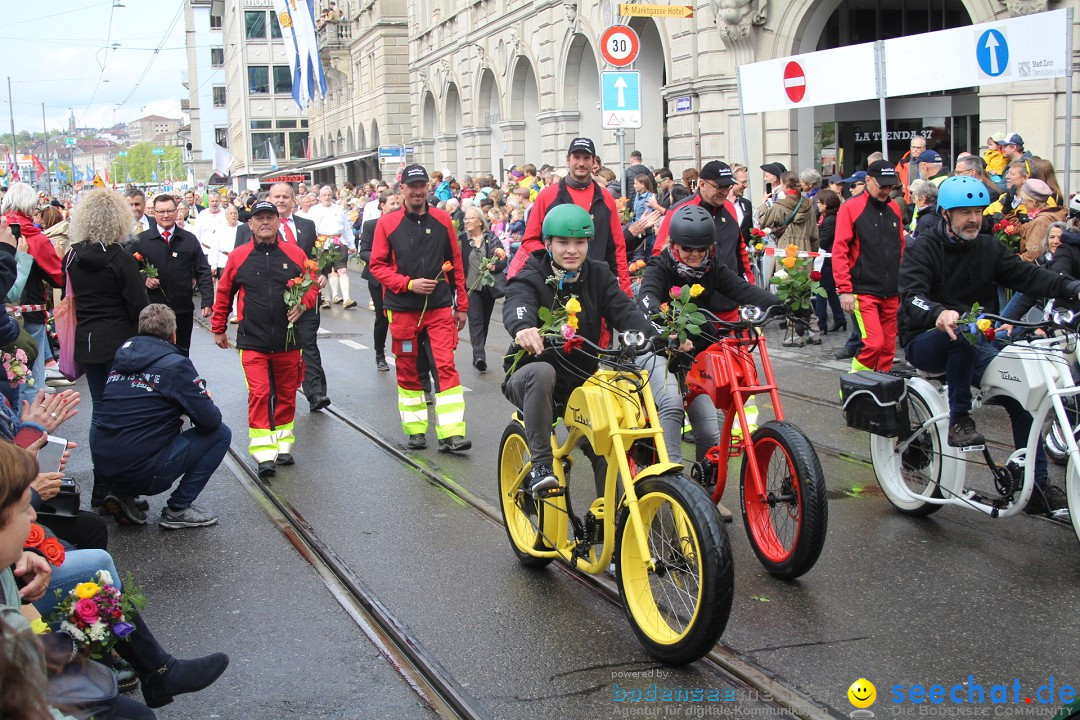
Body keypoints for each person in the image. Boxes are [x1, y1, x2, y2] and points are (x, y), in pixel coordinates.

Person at [899, 176, 1080, 515]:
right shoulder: (922, 247)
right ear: (944, 214)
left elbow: (1028, 277)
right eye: (964, 212)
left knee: (1023, 397)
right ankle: (959, 419)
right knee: (965, 331)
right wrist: (939, 313)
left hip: (974, 338)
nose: (973, 219)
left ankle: (1036, 486)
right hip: (925, 340)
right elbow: (911, 298)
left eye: (978, 211)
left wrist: (1071, 287)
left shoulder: (989, 247)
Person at [502, 204, 656, 495]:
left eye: (580, 242)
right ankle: (542, 467)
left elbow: (626, 313)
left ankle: (612, 517)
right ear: (548, 243)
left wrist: (658, 337)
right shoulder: (531, 274)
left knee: (608, 445)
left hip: (582, 379)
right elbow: (517, 302)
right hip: (532, 378)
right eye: (562, 242)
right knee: (542, 371)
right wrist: (523, 327)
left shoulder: (598, 274)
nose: (571, 250)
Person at [637, 204, 782, 467]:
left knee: (707, 427)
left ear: (709, 247)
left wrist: (780, 304)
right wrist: (667, 330)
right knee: (671, 405)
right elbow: (646, 298)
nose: (694, 254)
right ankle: (673, 486)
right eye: (687, 248)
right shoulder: (660, 266)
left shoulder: (711, 266)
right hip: (658, 348)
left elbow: (740, 289)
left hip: (694, 350)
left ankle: (704, 494)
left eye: (701, 249)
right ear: (675, 244)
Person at [93, 304, 231, 529]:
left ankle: (121, 493)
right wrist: (199, 399)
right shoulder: (176, 365)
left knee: (132, 431)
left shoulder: (119, 361)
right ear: (173, 334)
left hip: (104, 468)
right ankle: (178, 508)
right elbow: (210, 420)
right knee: (221, 434)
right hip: (144, 471)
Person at [212, 200, 319, 477]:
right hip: (252, 340)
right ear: (251, 224)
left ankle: (283, 446)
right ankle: (263, 453)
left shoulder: (295, 253)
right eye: (259, 218)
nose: (265, 223)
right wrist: (218, 326)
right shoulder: (238, 256)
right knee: (260, 393)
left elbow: (312, 285)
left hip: (287, 341)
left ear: (277, 221)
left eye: (270, 217)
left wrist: (303, 303)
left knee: (285, 394)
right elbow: (224, 292)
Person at [369, 164, 471, 453]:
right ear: (401, 189)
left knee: (446, 366)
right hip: (402, 309)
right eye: (411, 186)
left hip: (438, 308)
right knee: (407, 368)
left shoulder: (442, 220)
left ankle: (451, 433)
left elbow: (456, 263)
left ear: (428, 188)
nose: (417, 190)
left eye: (421, 185)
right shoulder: (386, 224)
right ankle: (415, 430)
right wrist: (407, 284)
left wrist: (461, 304)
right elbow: (377, 265)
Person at [65, 189, 150, 508]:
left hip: (87, 343)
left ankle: (101, 485)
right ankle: (120, 486)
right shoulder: (120, 258)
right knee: (125, 416)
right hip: (120, 344)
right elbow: (138, 308)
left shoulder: (72, 256)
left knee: (100, 413)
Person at [234, 183, 331, 412]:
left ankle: (315, 392)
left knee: (307, 343)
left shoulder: (306, 226)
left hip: (304, 300)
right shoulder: (247, 229)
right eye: (276, 196)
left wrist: (322, 274)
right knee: (278, 350)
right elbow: (239, 267)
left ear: (293, 200)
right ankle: (275, 390)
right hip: (269, 305)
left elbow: (315, 257)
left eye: (285, 196)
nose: (281, 200)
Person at [507, 138, 632, 293]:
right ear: (568, 160)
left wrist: (625, 291)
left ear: (594, 162)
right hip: (555, 286)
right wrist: (555, 261)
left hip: (594, 288)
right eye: (576, 157)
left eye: (586, 158)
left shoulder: (606, 199)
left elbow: (617, 249)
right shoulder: (548, 196)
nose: (581, 163)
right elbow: (530, 240)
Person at [832, 160, 905, 372]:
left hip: (890, 291)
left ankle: (881, 390)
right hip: (864, 291)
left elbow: (900, 248)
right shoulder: (851, 207)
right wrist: (845, 289)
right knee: (874, 343)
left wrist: (902, 284)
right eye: (882, 185)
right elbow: (840, 250)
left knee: (888, 348)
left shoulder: (894, 208)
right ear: (868, 181)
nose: (886, 190)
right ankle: (853, 385)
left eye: (890, 186)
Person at [130, 194, 214, 356]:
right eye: (161, 212)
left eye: (169, 211)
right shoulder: (141, 241)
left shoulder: (189, 240)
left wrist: (207, 301)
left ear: (177, 212)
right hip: (152, 312)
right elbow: (129, 271)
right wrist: (144, 279)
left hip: (181, 309)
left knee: (181, 352)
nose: (166, 215)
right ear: (153, 213)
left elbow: (202, 270)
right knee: (153, 354)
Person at [3, 183, 64, 404]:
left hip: (4, 315)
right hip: (31, 311)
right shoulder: (35, 238)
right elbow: (58, 276)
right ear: (30, 207)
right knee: (31, 377)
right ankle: (31, 427)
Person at [460, 205, 506, 373]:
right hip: (470, 288)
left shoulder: (491, 238)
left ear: (480, 221)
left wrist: (494, 266)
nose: (467, 221)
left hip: (488, 287)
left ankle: (478, 353)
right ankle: (480, 355)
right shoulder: (462, 239)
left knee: (485, 321)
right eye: (465, 218)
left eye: (471, 218)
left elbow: (502, 260)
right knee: (476, 320)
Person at [359, 189, 402, 372]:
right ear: (382, 206)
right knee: (382, 317)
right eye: (392, 203)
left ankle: (405, 354)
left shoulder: (404, 223)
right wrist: (381, 259)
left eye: (398, 203)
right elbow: (364, 252)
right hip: (378, 278)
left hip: (401, 278)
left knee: (403, 317)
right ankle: (380, 354)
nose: (396, 207)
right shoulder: (371, 225)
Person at [307, 186, 356, 308]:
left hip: (339, 242)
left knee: (342, 270)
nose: (327, 197)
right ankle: (327, 298)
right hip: (322, 243)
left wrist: (351, 244)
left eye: (329, 195)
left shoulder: (339, 209)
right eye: (324, 195)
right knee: (325, 273)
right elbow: (309, 229)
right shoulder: (313, 211)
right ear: (320, 197)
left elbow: (346, 228)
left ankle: (347, 299)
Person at [811, 188, 845, 334]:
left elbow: (823, 241)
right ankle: (839, 319)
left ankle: (821, 322)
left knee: (821, 292)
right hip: (829, 260)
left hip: (827, 261)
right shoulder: (830, 218)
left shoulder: (830, 220)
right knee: (830, 292)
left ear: (825, 204)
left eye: (819, 202)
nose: (817, 205)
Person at [760, 170, 818, 254]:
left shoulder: (779, 206)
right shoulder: (808, 206)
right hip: (805, 251)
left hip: (785, 249)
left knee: (786, 266)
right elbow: (814, 236)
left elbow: (763, 222)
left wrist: (763, 203)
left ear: (785, 186)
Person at [895, 135, 927, 203]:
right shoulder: (903, 163)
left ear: (924, 149)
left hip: (925, 199)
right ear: (910, 148)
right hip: (908, 201)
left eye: (918, 147)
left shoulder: (929, 162)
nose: (915, 150)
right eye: (913, 147)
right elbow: (896, 183)